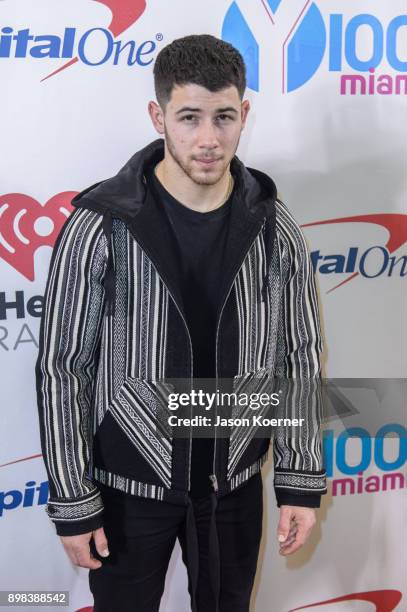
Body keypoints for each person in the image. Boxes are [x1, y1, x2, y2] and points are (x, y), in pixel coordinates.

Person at [36, 34, 327, 612]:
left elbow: (299, 358)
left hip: (234, 487)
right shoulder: (100, 225)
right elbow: (63, 368)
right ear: (158, 115)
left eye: (223, 117)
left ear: (243, 114)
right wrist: (74, 498)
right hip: (126, 492)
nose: (208, 139)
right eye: (189, 117)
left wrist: (299, 480)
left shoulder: (275, 229)